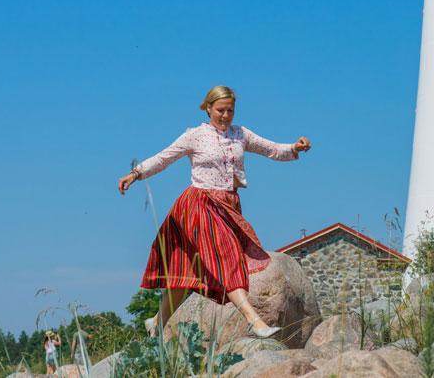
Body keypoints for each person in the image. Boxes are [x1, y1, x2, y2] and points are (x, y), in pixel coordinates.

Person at [117, 85, 311, 339]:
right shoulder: (195, 135)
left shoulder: (240, 134)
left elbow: (271, 149)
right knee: (227, 255)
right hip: (199, 204)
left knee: (183, 275)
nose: (225, 115)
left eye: (230, 110)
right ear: (208, 108)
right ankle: (255, 320)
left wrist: (295, 148)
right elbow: (164, 158)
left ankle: (156, 322)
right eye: (220, 110)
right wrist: (135, 174)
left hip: (229, 206)